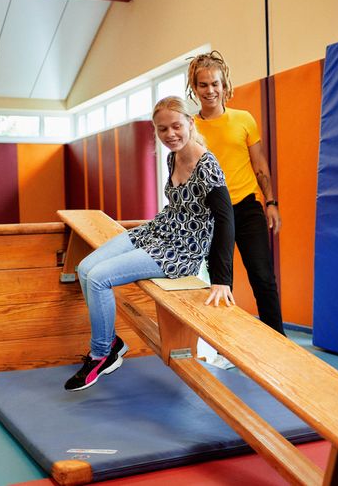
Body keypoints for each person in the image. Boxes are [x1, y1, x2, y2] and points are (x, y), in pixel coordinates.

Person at [64, 96, 235, 391]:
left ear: (190, 123)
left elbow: (226, 220)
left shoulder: (207, 165)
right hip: (157, 230)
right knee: (85, 267)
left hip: (180, 251)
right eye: (162, 129)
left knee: (99, 278)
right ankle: (112, 343)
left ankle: (101, 355)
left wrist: (222, 279)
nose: (170, 134)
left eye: (176, 126)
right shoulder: (172, 157)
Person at [187, 50, 285, 336]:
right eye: (203, 85)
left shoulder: (244, 119)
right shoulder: (190, 127)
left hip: (246, 208)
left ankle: (277, 339)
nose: (210, 90)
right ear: (194, 88)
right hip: (212, 214)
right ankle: (225, 341)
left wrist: (271, 202)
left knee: (263, 277)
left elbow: (260, 165)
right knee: (221, 283)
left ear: (224, 85)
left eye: (215, 83)